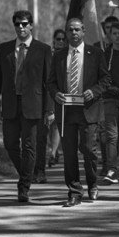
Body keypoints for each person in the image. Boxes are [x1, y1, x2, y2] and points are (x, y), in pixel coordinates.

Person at [0, 10, 54, 203]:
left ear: (31, 25)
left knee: (29, 146)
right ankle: (28, 171)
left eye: (24, 24)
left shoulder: (43, 49)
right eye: (17, 24)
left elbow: (49, 81)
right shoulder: (4, 49)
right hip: (10, 104)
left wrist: (49, 109)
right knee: (10, 144)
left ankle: (24, 186)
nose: (21, 27)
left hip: (33, 105)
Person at [47, 17, 111, 207]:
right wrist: (56, 94)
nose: (73, 33)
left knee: (89, 150)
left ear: (83, 31)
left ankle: (92, 184)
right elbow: (50, 82)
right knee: (69, 153)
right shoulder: (58, 56)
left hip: (88, 110)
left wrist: (94, 91)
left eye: (77, 30)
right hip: (66, 111)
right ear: (66, 33)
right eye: (70, 30)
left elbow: (106, 79)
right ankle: (74, 191)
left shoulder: (96, 53)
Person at [100, 21, 119, 184]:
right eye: (115, 34)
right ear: (110, 36)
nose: (118, 37)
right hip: (110, 98)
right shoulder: (105, 55)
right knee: (112, 136)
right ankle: (111, 168)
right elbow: (103, 79)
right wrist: (117, 91)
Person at [46, 29, 68, 168]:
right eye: (58, 39)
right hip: (49, 92)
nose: (60, 41)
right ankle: (54, 150)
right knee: (50, 124)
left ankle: (53, 153)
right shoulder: (48, 55)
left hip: (64, 93)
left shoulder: (69, 55)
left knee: (57, 125)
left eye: (62, 39)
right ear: (53, 40)